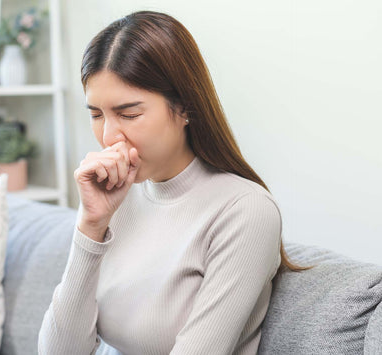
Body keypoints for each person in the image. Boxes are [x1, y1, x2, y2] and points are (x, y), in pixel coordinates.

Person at [39, 10, 312, 355]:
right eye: (96, 114)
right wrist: (90, 226)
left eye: (129, 114)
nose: (108, 137)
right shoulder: (115, 199)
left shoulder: (245, 211)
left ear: (184, 107)